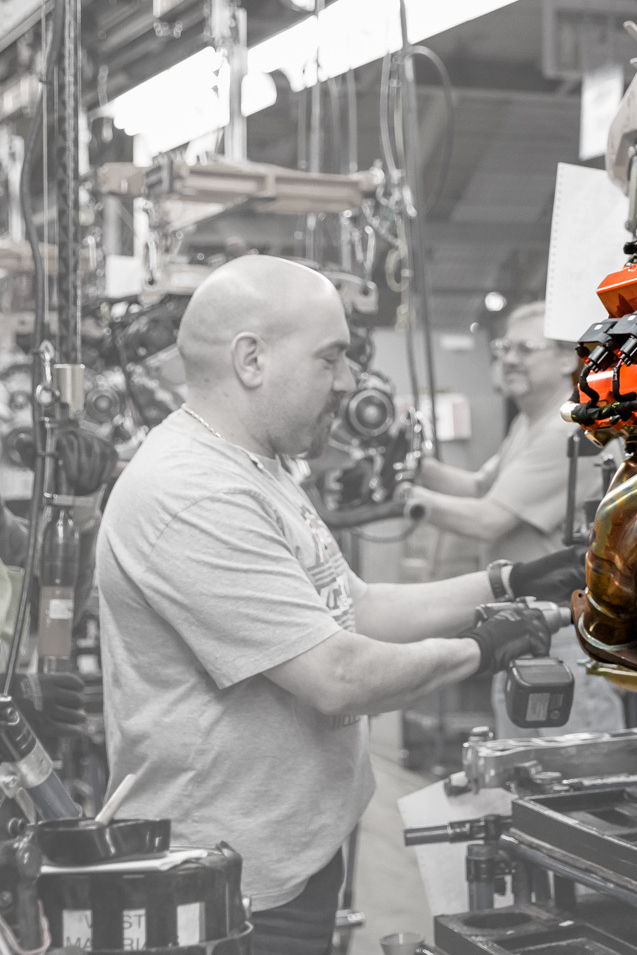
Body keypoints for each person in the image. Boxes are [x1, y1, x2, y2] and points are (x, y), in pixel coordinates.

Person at [95, 256, 538, 955]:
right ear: (251, 359)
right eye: (330, 357)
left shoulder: (260, 466)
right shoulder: (194, 492)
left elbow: (354, 606)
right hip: (225, 885)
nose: (345, 382)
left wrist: (507, 582)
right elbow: (336, 673)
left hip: (289, 852)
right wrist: (482, 649)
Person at [407, 300, 623, 739]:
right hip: (527, 622)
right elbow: (480, 487)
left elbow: (488, 519)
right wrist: (417, 467)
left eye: (525, 349)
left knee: (575, 763)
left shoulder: (567, 430)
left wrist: (408, 500)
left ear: (567, 360)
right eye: (504, 348)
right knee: (524, 758)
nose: (507, 359)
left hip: (562, 627)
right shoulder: (530, 423)